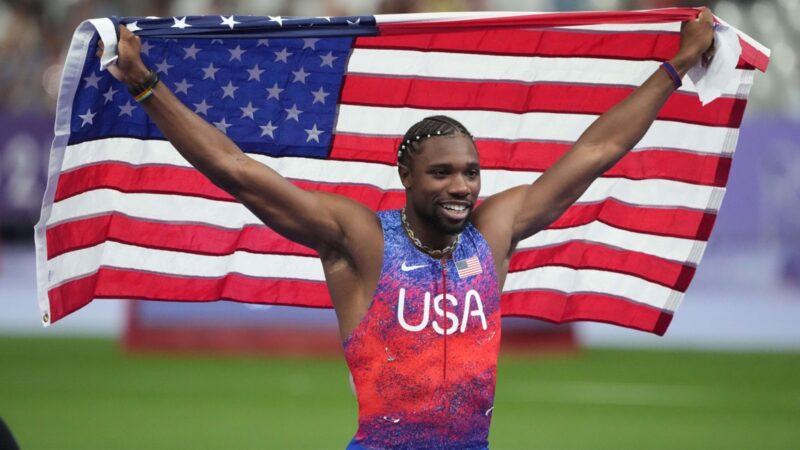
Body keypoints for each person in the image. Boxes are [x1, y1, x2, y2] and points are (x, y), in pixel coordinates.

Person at [102, 9, 714, 450]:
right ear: (407, 176)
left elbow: (597, 149)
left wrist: (677, 66)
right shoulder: (362, 241)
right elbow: (237, 171)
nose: (462, 186)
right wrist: (144, 86)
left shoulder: (493, 233)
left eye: (471, 172)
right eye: (442, 173)